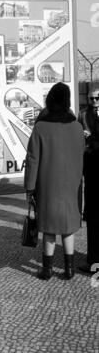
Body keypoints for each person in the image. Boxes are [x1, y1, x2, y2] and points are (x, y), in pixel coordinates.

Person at [24, 82, 84, 280]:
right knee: (68, 229)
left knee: (49, 230)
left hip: (47, 185)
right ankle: (69, 269)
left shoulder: (41, 127)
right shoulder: (77, 127)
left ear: (50, 101)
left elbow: (32, 159)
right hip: (71, 185)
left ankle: (47, 270)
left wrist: (29, 187)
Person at [78, 83, 99, 274]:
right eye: (91, 98)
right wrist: (83, 138)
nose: (94, 102)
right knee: (92, 219)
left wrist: (92, 139)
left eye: (97, 98)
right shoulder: (83, 115)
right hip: (91, 172)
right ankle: (93, 260)